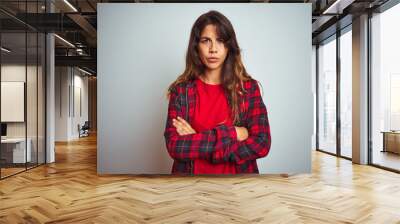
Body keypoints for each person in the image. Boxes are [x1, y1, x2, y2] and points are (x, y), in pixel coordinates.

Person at [164, 10, 271, 175]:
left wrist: (197, 137)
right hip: (189, 186)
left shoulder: (248, 89)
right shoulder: (181, 91)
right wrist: (234, 132)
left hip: (238, 188)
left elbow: (261, 144)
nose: (213, 49)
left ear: (229, 46)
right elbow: (175, 146)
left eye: (220, 40)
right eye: (206, 41)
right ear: (196, 46)